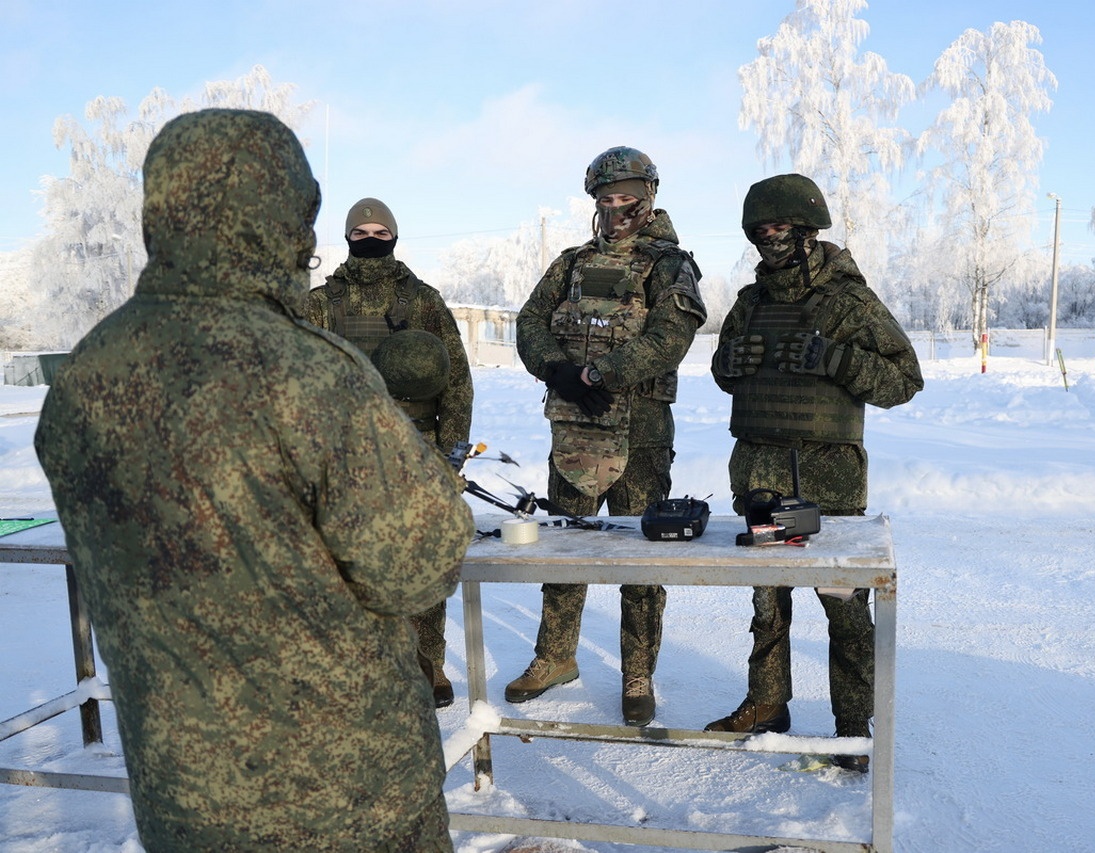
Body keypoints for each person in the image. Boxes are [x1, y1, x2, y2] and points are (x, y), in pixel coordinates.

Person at [34, 109, 473, 850]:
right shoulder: (309, 373)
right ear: (280, 220)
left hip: (184, 800)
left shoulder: (83, 378)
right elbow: (418, 565)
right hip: (346, 801)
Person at [704, 173, 923, 771]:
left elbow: (904, 379)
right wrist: (731, 363)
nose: (768, 238)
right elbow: (727, 374)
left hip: (827, 476)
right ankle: (766, 703)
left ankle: (853, 726)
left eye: (779, 227)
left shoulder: (848, 299)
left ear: (806, 231)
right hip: (759, 466)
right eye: (760, 230)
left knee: (842, 600)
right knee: (767, 598)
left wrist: (835, 358)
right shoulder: (750, 302)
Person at [506, 146, 706, 727]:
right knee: (565, 545)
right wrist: (559, 371)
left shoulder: (670, 265)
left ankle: (637, 672)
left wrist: (601, 373)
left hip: (639, 433)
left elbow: (670, 337)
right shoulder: (570, 264)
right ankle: (554, 656)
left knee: (642, 553)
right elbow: (529, 323)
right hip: (574, 432)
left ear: (649, 197)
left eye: (628, 199)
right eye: (606, 200)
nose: (617, 210)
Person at [305, 196, 473, 708]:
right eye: (361, 232)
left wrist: (452, 457)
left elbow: (458, 381)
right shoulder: (318, 303)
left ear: (394, 236)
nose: (371, 239)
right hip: (342, 457)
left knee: (421, 566)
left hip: (417, 451)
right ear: (349, 237)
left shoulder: (423, 300)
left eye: (380, 231)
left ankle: (430, 666)